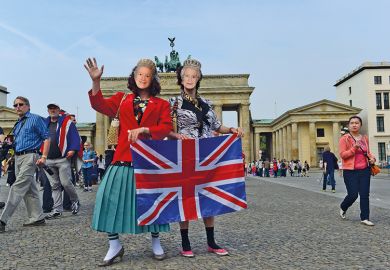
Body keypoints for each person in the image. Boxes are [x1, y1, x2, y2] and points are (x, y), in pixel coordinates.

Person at [85, 57, 172, 266]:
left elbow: (165, 128)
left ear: (153, 80)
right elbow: (99, 104)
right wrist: (96, 81)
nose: (143, 78)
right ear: (134, 77)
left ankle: (155, 240)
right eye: (140, 74)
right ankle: (114, 245)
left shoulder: (161, 104)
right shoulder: (121, 99)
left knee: (153, 202)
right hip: (122, 158)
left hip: (149, 161)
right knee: (107, 199)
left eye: (147, 75)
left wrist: (145, 130)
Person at [168, 58, 244, 258]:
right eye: (186, 76)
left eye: (194, 76)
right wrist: (177, 136)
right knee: (185, 197)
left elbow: (217, 126)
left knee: (207, 195)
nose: (190, 79)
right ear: (181, 78)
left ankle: (211, 242)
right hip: (184, 155)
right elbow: (166, 130)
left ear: (198, 78)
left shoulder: (206, 104)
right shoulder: (173, 103)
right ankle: (185, 243)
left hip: (206, 155)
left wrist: (233, 129)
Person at [0, 96, 50, 233]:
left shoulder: (35, 118)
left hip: (30, 156)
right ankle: (37, 217)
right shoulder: (18, 123)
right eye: (15, 105)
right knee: (29, 189)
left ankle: (2, 220)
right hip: (18, 157)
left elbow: (46, 138)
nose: (17, 107)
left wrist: (44, 156)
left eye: (21, 104)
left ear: (28, 106)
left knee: (18, 186)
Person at [43, 103, 81, 219]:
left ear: (59, 110)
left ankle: (75, 201)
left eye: (54, 108)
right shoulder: (44, 123)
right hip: (48, 159)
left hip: (63, 158)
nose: (52, 110)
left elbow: (75, 137)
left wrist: (73, 149)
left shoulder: (67, 122)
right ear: (48, 110)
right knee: (54, 185)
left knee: (66, 183)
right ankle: (57, 209)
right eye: (50, 108)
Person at [339, 116, 376, 226]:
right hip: (350, 171)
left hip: (365, 170)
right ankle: (343, 206)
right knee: (353, 194)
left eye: (357, 123)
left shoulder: (364, 138)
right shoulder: (344, 139)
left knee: (365, 194)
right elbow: (343, 155)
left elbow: (368, 152)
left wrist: (373, 158)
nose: (354, 125)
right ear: (348, 125)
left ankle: (365, 218)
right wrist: (353, 149)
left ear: (360, 125)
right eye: (352, 123)